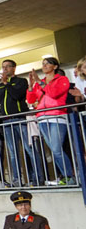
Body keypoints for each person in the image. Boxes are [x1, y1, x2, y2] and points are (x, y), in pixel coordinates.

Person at [0, 59, 42, 186]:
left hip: (20, 119)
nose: (4, 69)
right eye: (3, 67)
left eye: (7, 67)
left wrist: (6, 84)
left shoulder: (21, 81)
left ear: (14, 68)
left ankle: (38, 178)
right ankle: (17, 180)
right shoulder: (0, 85)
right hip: (6, 122)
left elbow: (17, 95)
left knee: (29, 150)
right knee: (13, 153)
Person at [26, 57, 74, 185]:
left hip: (57, 117)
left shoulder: (62, 79)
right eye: (43, 64)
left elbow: (54, 93)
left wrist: (39, 82)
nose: (45, 65)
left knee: (57, 149)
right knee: (54, 150)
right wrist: (31, 87)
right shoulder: (39, 82)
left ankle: (69, 176)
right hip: (42, 118)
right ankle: (65, 176)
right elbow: (31, 100)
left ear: (55, 66)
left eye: (48, 63)